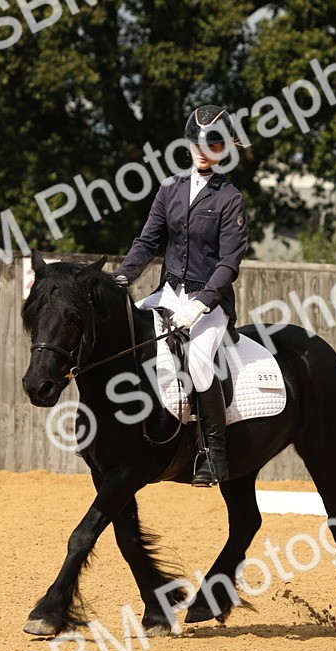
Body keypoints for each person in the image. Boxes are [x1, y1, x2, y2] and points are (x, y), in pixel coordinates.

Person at [113, 105, 249, 487]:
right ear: (188, 145)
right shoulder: (170, 189)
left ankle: (213, 455)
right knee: (124, 336)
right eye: (199, 143)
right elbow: (148, 241)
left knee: (201, 360)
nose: (204, 151)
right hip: (167, 294)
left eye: (214, 144)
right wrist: (124, 276)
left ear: (224, 149)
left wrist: (202, 304)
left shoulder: (230, 199)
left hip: (209, 303)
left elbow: (228, 263)